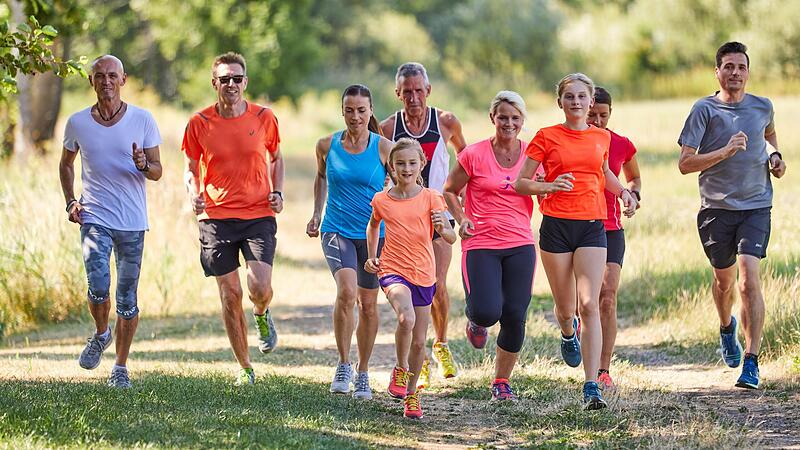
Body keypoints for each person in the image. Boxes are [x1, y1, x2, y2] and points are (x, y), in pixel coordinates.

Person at [514, 73, 638, 410]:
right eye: (570, 97)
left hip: (592, 227)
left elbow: (604, 173)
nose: (577, 103)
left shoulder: (601, 137)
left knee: (590, 304)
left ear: (590, 100)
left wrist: (624, 192)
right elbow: (521, 183)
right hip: (556, 227)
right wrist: (549, 187)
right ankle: (568, 331)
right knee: (567, 308)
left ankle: (591, 384)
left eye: (582, 97)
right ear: (561, 102)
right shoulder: (547, 136)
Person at [678, 42, 786, 389]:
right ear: (717, 72)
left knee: (747, 278)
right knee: (724, 282)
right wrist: (724, 152)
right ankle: (727, 325)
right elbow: (684, 164)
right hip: (716, 210)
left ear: (748, 72)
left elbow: (768, 136)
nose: (735, 72)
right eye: (728, 67)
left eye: (741, 67)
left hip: (756, 205)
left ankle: (752, 362)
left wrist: (776, 156)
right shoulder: (704, 110)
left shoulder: (762, 106)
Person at [58, 54, 163, 388]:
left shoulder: (143, 119)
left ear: (123, 79)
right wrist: (71, 201)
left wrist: (144, 163)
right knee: (99, 286)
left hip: (132, 222)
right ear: (91, 81)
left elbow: (158, 171)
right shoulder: (77, 123)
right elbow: (66, 164)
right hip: (94, 218)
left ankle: (120, 367)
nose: (106, 81)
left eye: (112, 76)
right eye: (99, 76)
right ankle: (101, 332)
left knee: (127, 298)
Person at [181, 52, 284, 385]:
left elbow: (276, 157)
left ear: (245, 82)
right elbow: (189, 169)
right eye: (224, 79)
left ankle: (262, 313)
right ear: (215, 84)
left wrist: (278, 191)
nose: (231, 85)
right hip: (216, 217)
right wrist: (192, 193)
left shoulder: (264, 118)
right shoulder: (199, 123)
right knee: (229, 295)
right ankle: (245, 367)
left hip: (257, 214)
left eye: (236, 78)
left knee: (259, 287)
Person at [443, 91, 537, 401]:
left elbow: (543, 187)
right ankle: (476, 320)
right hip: (481, 242)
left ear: (522, 120)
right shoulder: (473, 154)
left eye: (515, 118)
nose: (509, 123)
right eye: (503, 117)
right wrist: (461, 218)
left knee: (514, 314)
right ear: (492, 118)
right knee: (486, 311)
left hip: (520, 243)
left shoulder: (533, 155)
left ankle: (500, 381)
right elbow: (449, 191)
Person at [381, 62, 467, 384]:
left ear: (428, 90)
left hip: (438, 212)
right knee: (414, 290)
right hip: (404, 219)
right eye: (407, 92)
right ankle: (421, 357)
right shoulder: (388, 129)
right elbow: (379, 171)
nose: (414, 98)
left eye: (419, 91)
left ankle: (440, 343)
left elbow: (466, 160)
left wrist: (461, 203)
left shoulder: (445, 121)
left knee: (436, 285)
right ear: (398, 93)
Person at [306, 84, 392, 399]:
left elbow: (405, 185)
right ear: (342, 111)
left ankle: (364, 372)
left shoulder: (384, 148)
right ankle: (343, 364)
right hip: (336, 229)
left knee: (368, 305)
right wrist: (316, 213)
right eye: (349, 110)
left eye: (361, 110)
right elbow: (320, 177)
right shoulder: (326, 145)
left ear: (370, 111)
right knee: (346, 292)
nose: (355, 116)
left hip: (373, 236)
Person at [365, 138, 456, 419]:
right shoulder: (382, 199)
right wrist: (372, 256)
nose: (406, 168)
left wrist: (444, 228)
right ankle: (401, 369)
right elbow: (373, 225)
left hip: (424, 274)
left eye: (412, 163)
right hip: (393, 269)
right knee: (406, 318)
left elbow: (451, 238)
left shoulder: (431, 197)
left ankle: (413, 394)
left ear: (421, 165)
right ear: (391, 166)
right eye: (400, 163)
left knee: (419, 342)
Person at [585, 87, 642, 391]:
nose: (596, 120)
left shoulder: (621, 144)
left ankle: (602, 369)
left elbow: (633, 177)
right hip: (577, 227)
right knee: (581, 302)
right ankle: (574, 331)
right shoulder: (570, 141)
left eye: (602, 115)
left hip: (610, 228)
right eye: (591, 114)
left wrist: (633, 194)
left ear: (610, 114)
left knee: (607, 296)